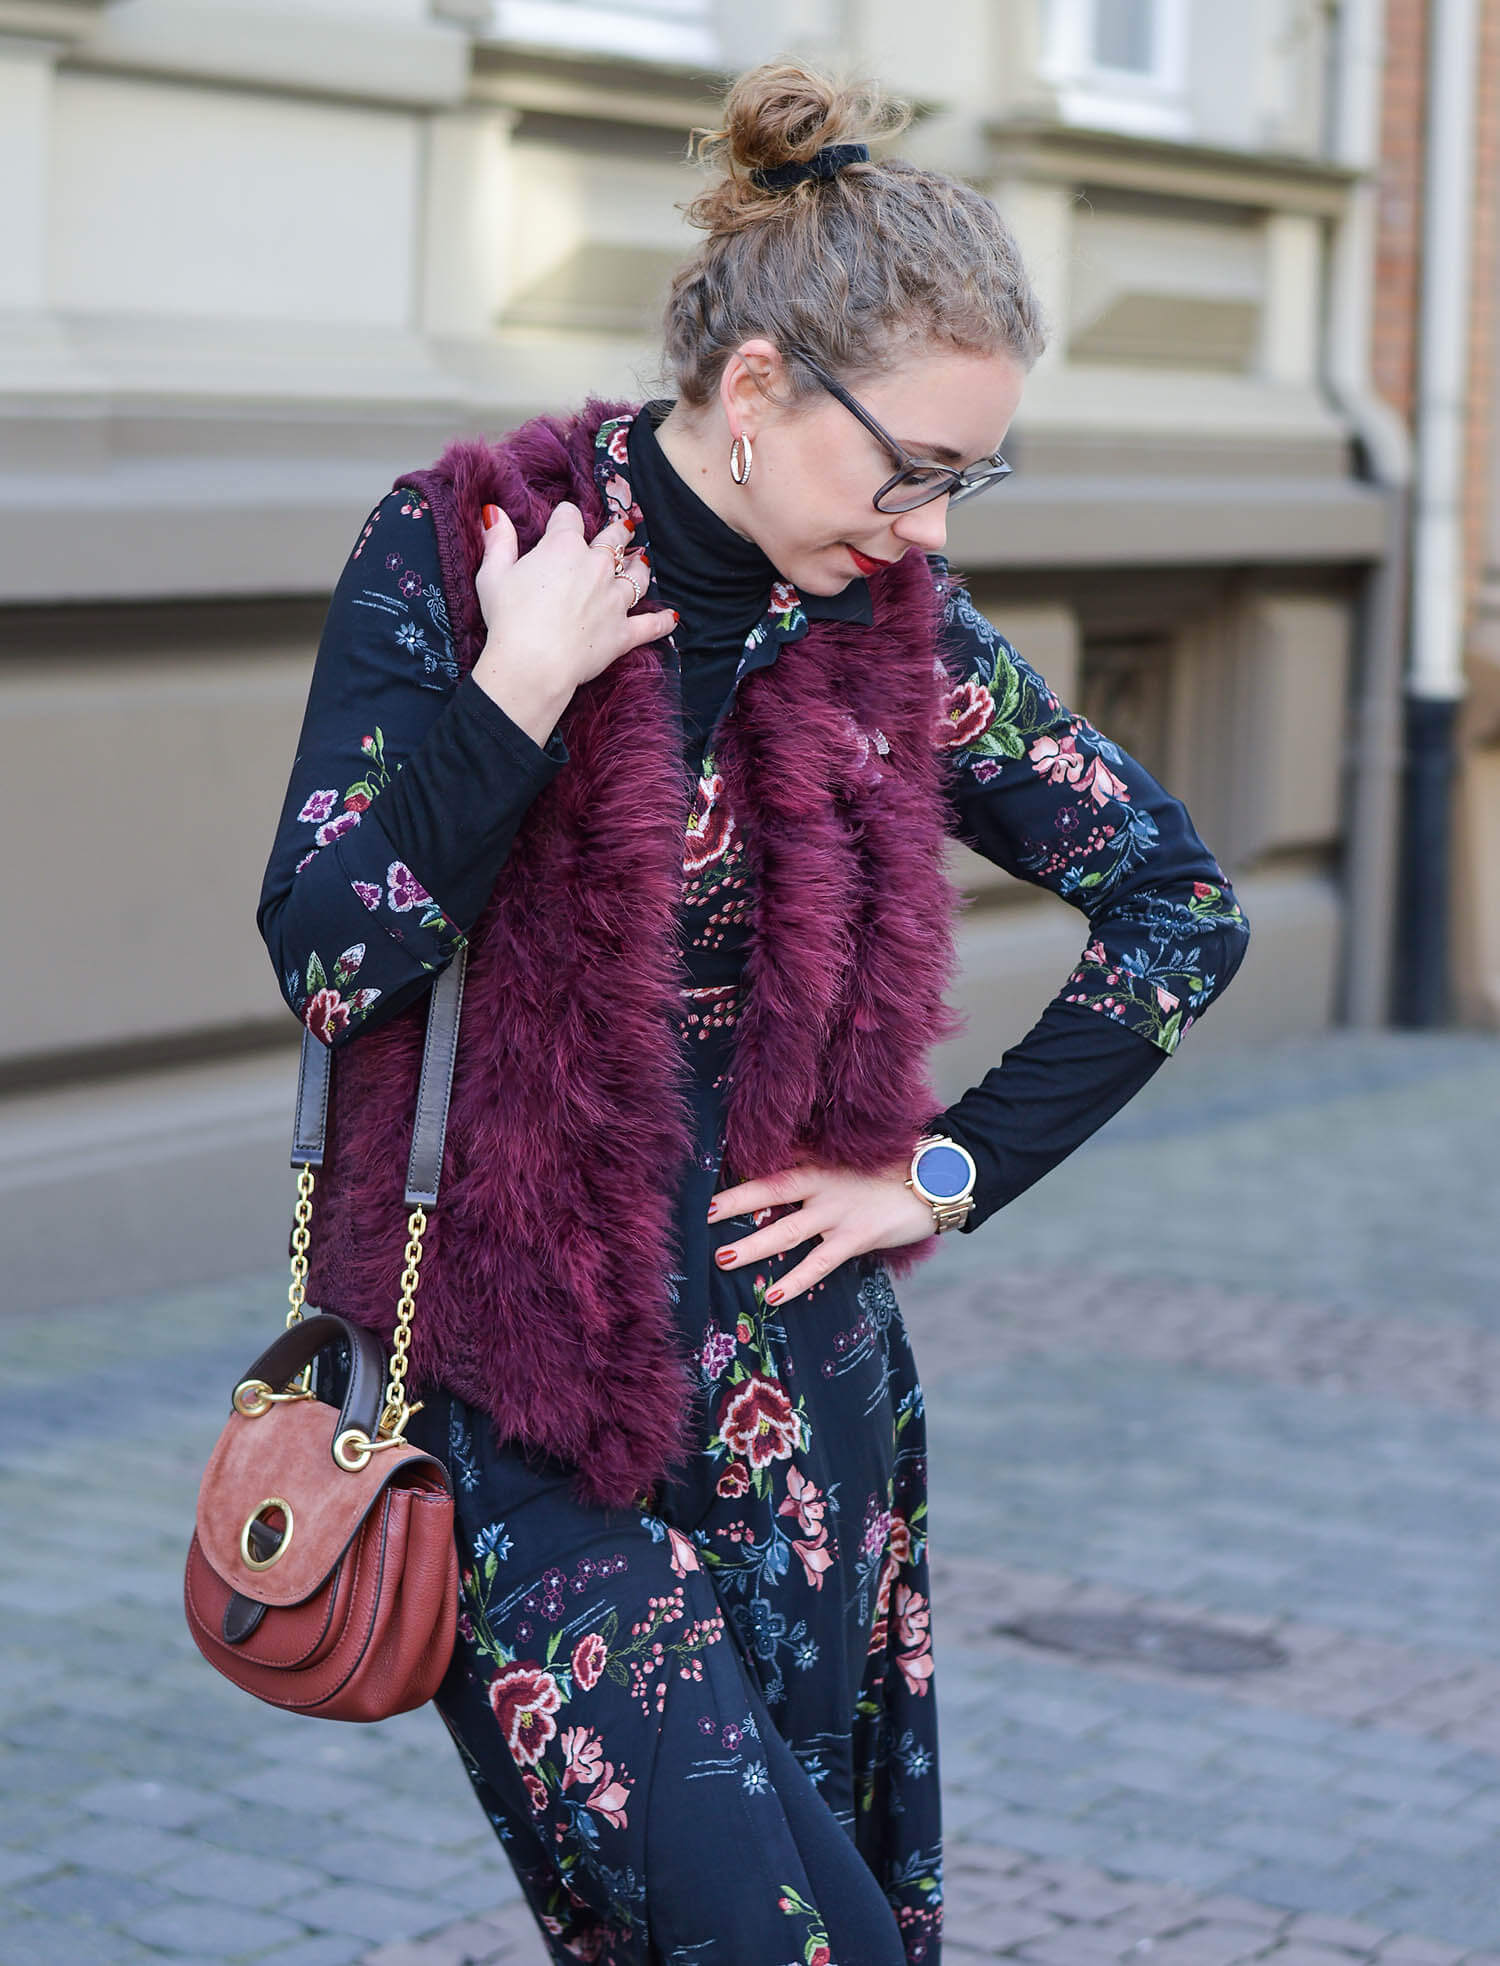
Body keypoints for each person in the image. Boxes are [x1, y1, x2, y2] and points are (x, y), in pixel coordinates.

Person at [257, 60, 1249, 1966]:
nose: (937, 531)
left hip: (802, 1412)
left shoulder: (893, 629)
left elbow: (1178, 902)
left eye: (973, 480)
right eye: (917, 471)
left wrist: (944, 1172)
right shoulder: (470, 549)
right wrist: (515, 703)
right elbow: (326, 958)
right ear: (758, 388)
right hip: (517, 1402)